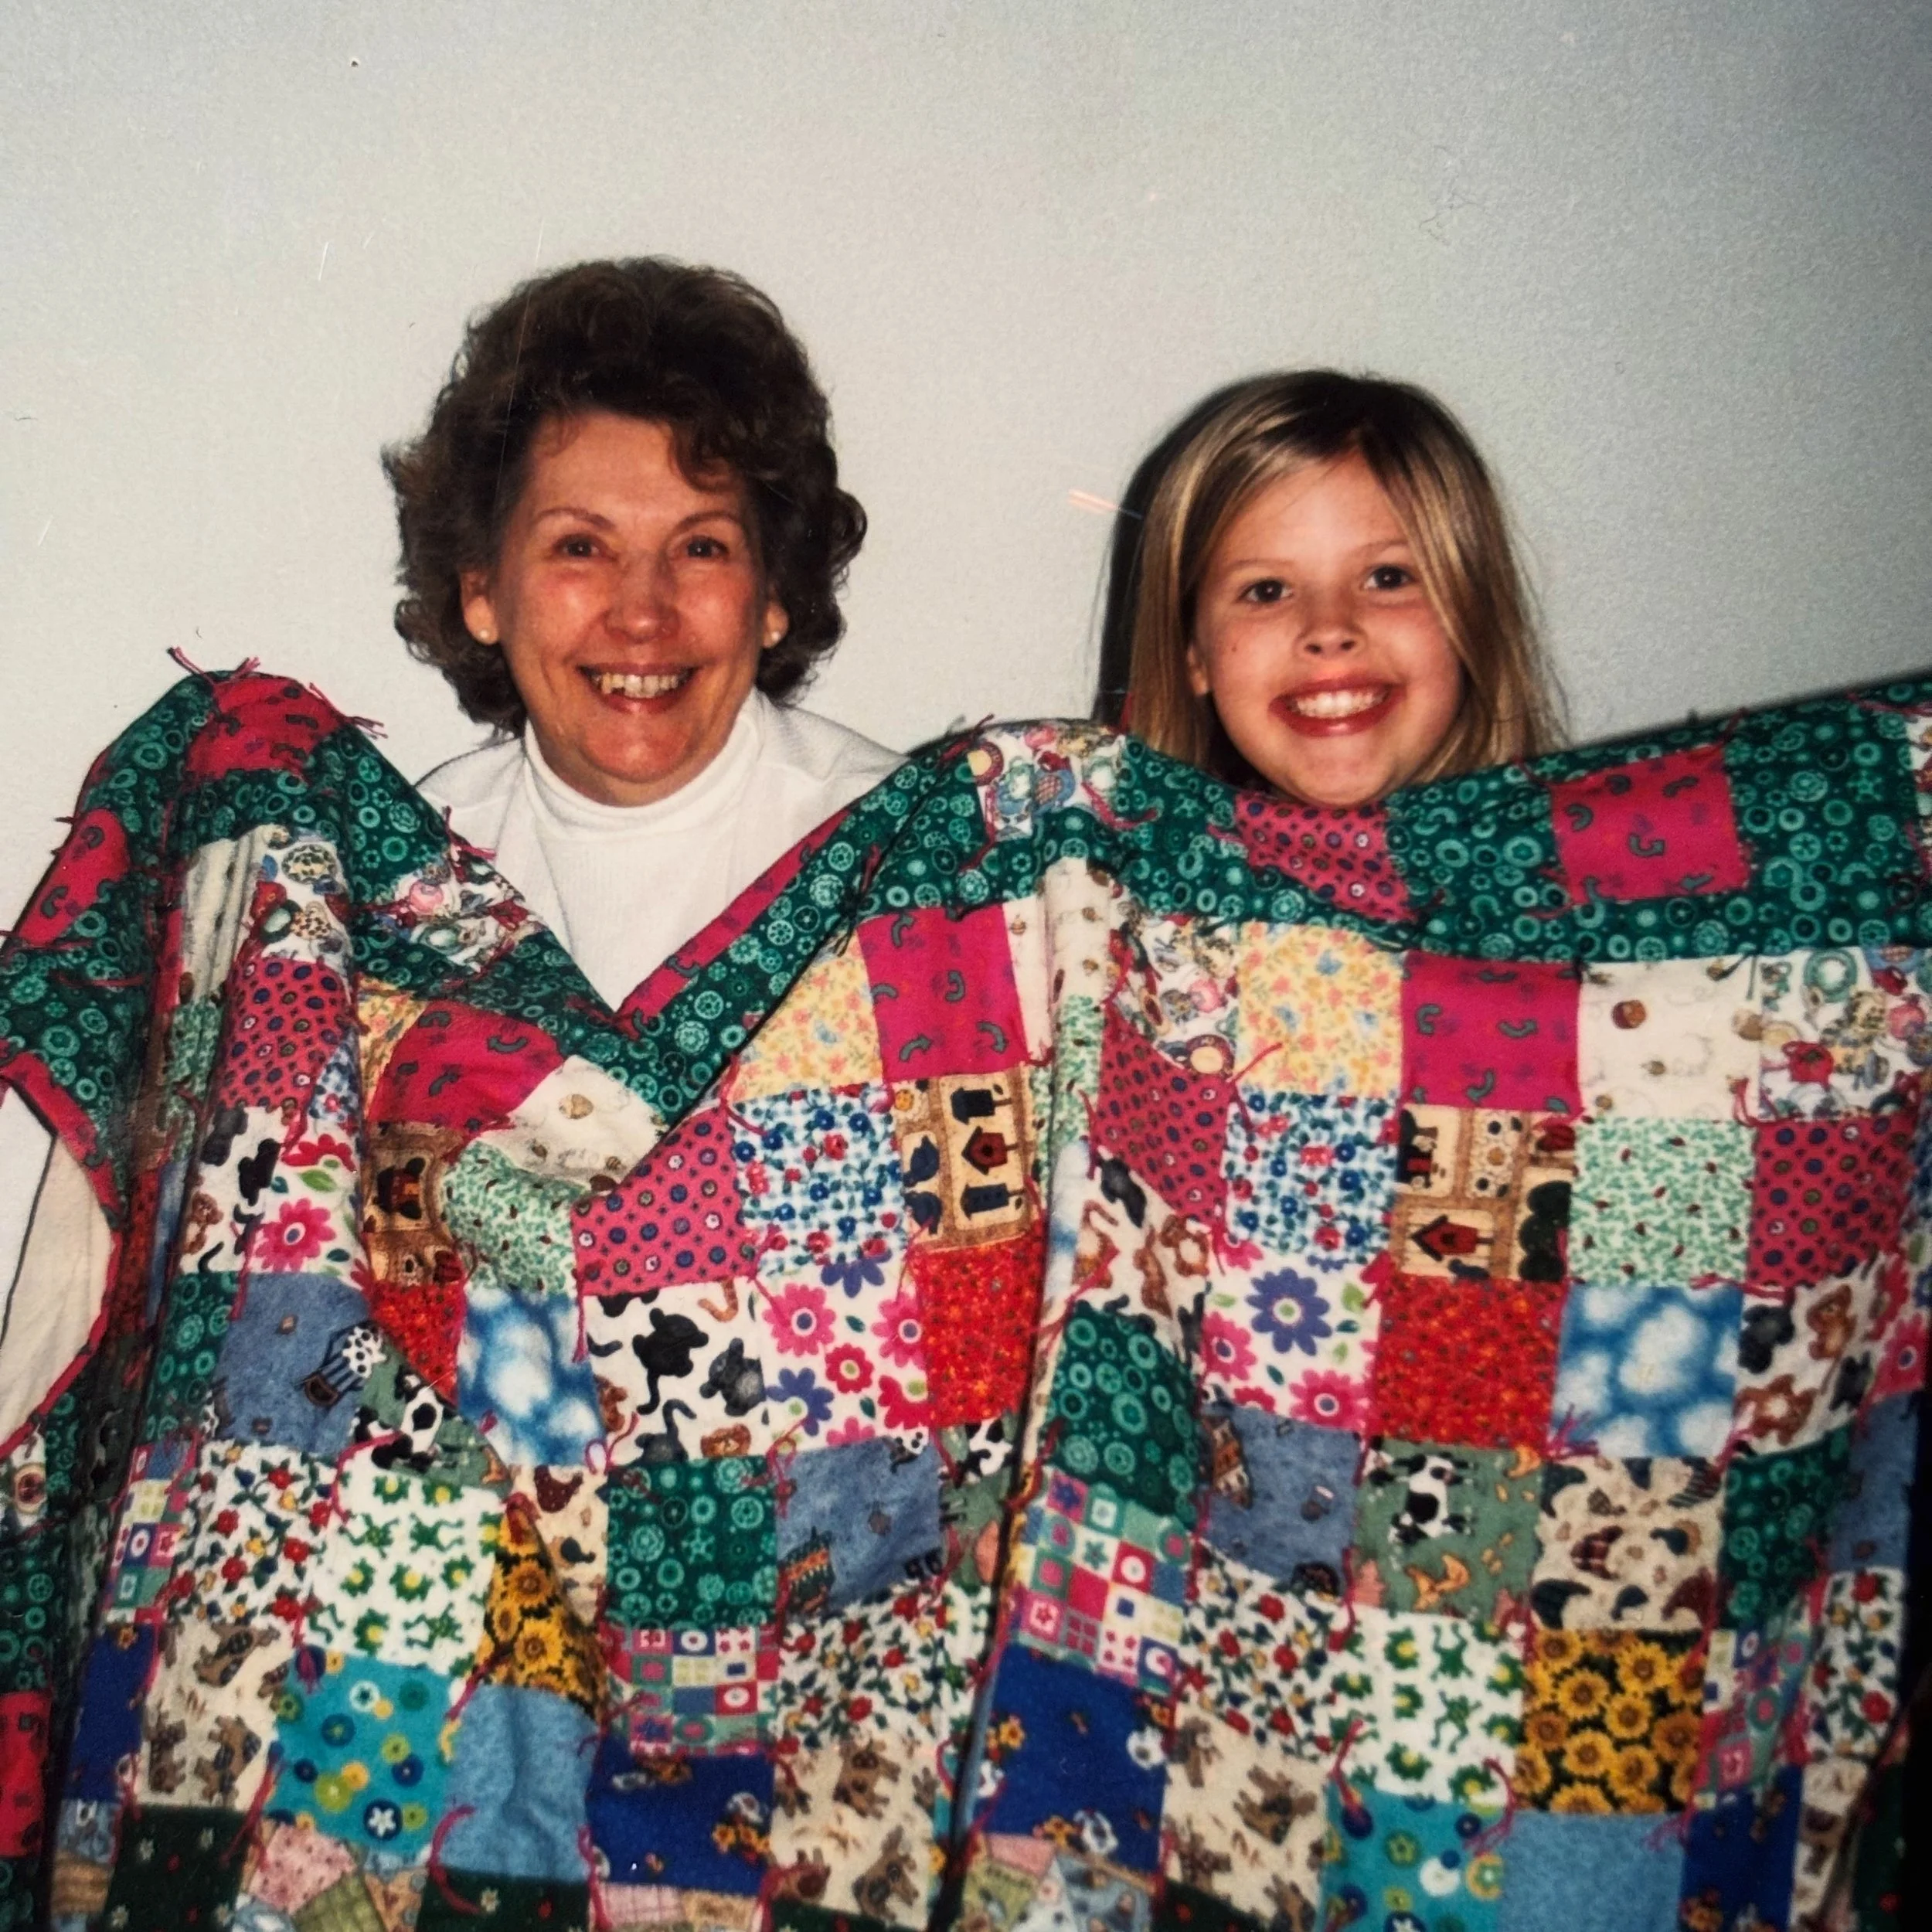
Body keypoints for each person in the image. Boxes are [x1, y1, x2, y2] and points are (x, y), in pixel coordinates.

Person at [393, 257, 900, 1007]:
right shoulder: (402, 881)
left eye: (701, 547)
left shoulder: (898, 854)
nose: (641, 613)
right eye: (580, 546)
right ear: (481, 590)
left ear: (772, 594)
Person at [1095, 369, 1562, 808]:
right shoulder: (1093, 886)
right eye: (1268, 591)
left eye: (1387, 578)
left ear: (1472, 613)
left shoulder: (1594, 883)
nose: (1330, 629)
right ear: (1192, 652)